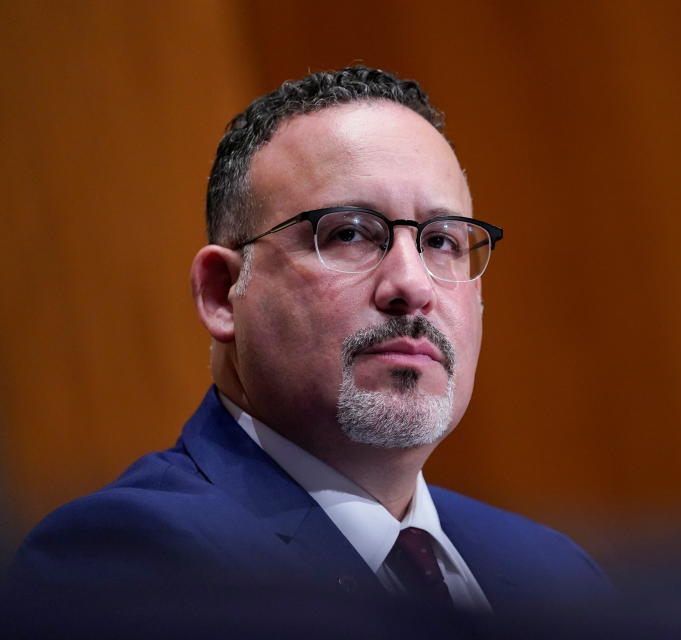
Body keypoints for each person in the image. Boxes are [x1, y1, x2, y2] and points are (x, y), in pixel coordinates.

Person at [6, 66, 611, 632]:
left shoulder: (557, 576)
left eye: (443, 241)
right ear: (223, 294)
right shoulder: (131, 562)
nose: (412, 284)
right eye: (348, 232)